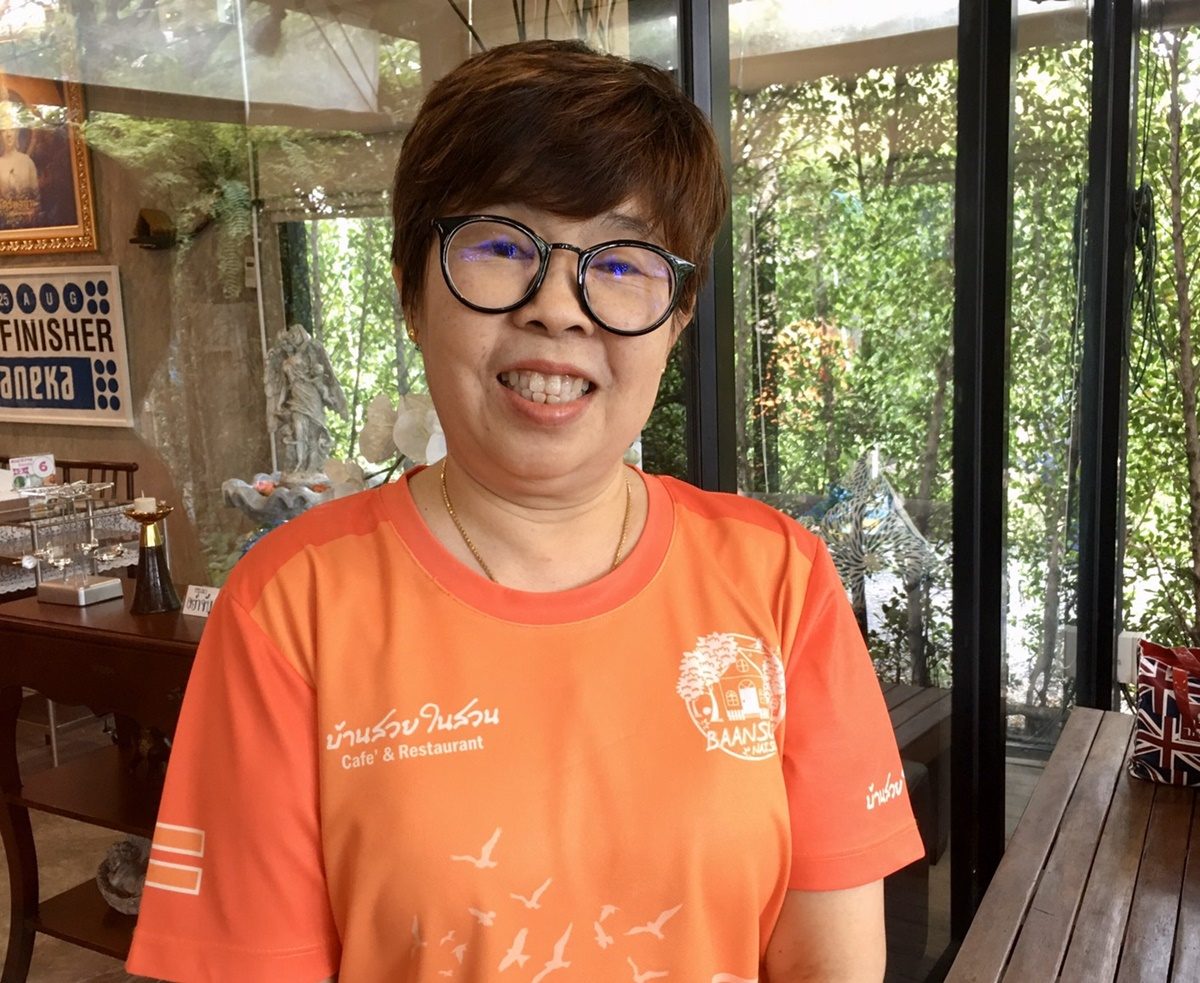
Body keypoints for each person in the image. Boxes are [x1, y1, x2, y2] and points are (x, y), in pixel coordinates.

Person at [127, 39, 923, 982]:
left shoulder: (781, 581)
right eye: (502, 245)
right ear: (411, 288)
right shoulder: (290, 608)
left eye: (621, 262)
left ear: (678, 316)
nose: (558, 308)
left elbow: (831, 965)